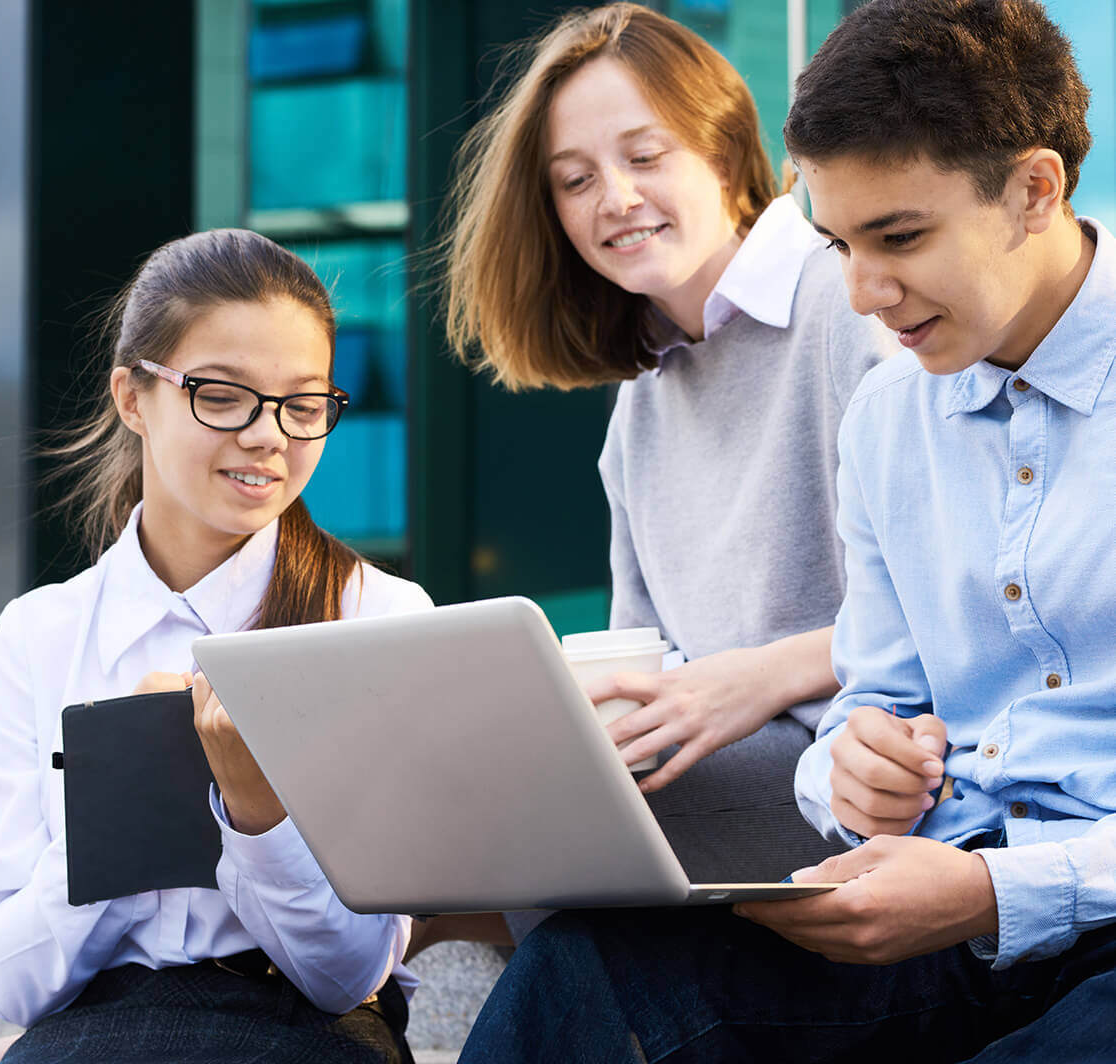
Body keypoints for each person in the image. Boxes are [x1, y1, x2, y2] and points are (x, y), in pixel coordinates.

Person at [457, 0, 1116, 1060]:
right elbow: (874, 699)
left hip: (1071, 908)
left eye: (898, 237)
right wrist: (855, 767)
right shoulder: (893, 418)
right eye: (838, 243)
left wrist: (997, 886)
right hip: (936, 905)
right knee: (583, 976)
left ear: (1036, 189)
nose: (863, 291)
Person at [444, 1, 892, 892]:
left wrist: (753, 680)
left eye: (645, 157)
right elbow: (639, 655)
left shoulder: (852, 309)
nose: (615, 199)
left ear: (725, 155)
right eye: (573, 181)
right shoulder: (641, 401)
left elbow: (958, 618)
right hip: (725, 770)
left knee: (566, 827)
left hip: (863, 770)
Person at [0, 229, 432, 1063]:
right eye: (223, 396)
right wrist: (132, 810)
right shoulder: (37, 635)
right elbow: (7, 985)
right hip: (89, 1037)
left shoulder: (380, 616)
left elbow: (350, 976)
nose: (269, 436)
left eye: (303, 405)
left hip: (307, 1038)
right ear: (132, 397)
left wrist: (257, 811)